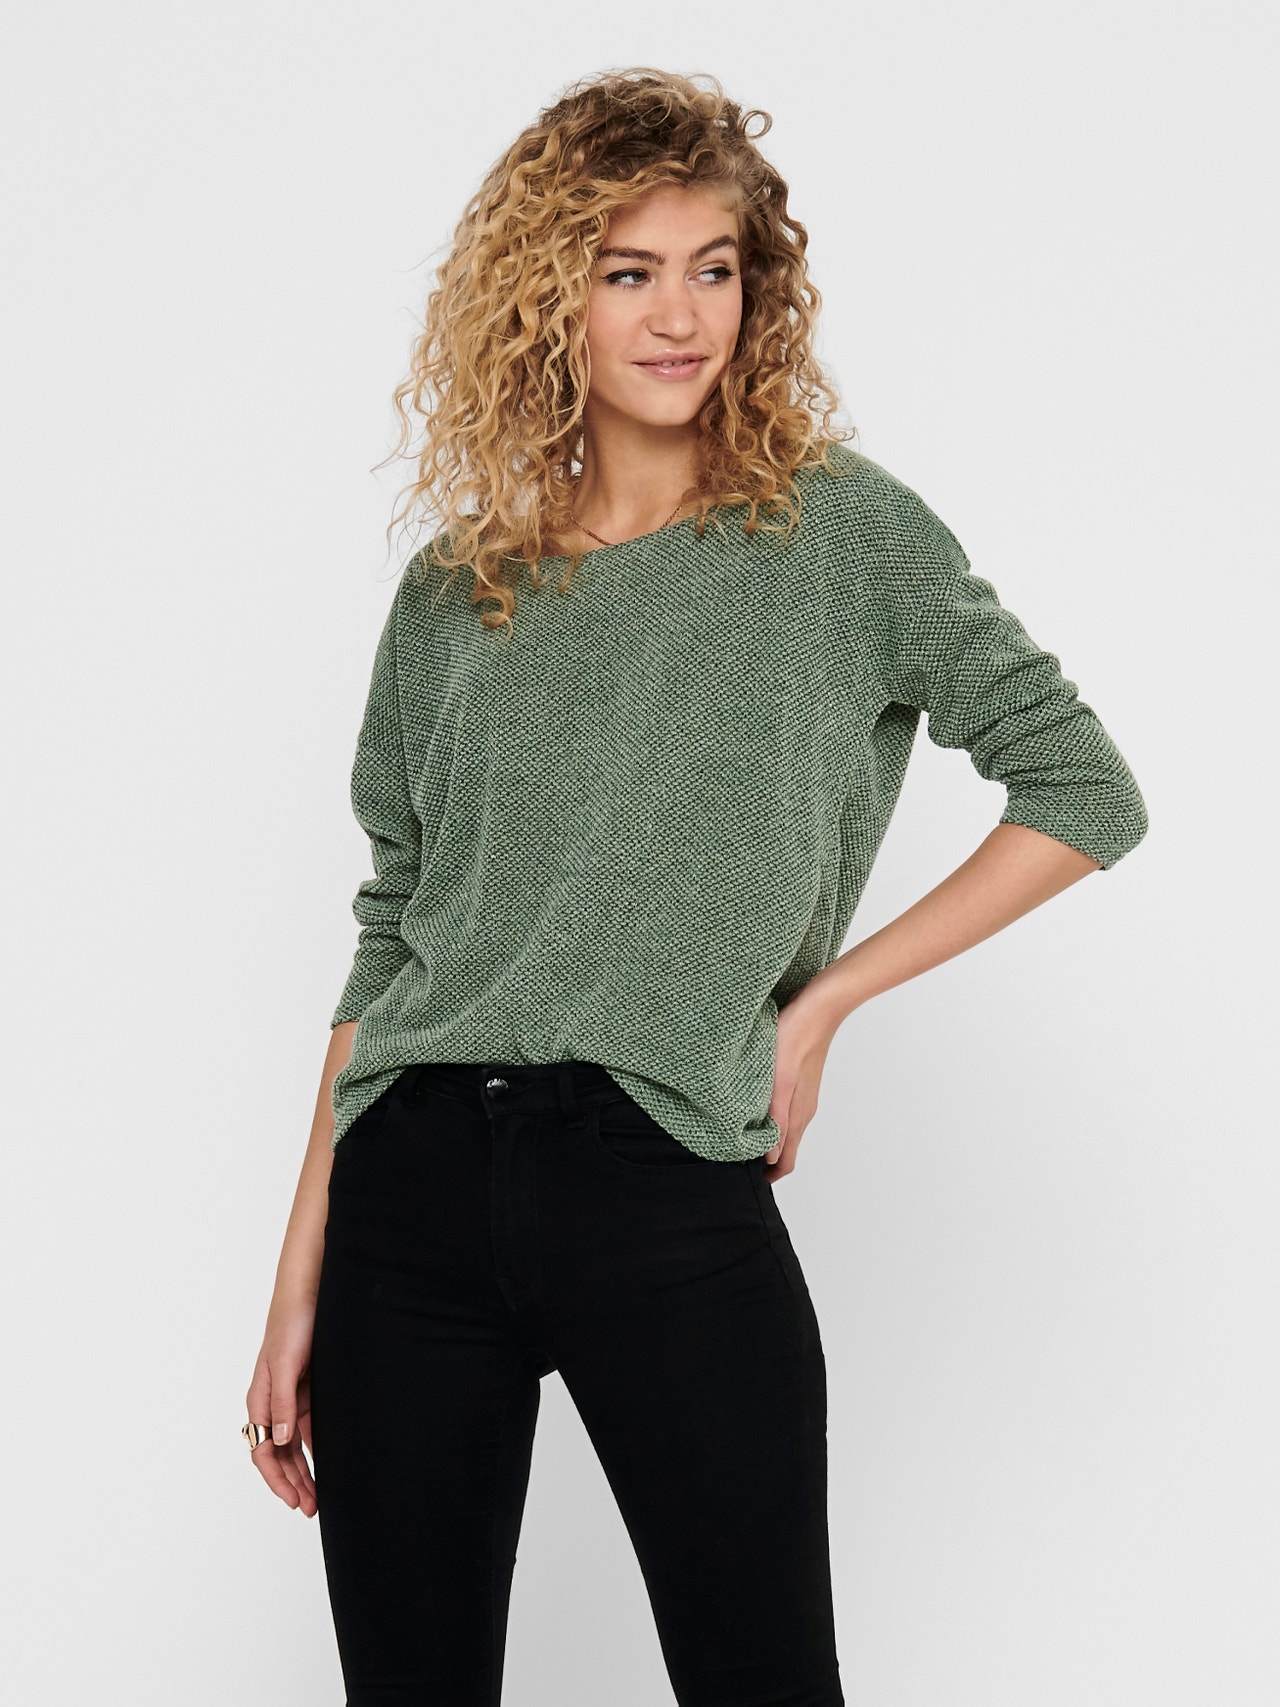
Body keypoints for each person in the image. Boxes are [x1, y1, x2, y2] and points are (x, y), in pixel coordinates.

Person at [243, 66, 1148, 1707]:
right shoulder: (457, 590)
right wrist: (297, 1275)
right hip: (408, 1195)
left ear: (758, 287)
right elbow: (394, 932)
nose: (681, 317)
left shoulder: (838, 538)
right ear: (548, 298)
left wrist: (824, 1003)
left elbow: (1084, 789)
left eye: (715, 269)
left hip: (660, 1180)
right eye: (630, 272)